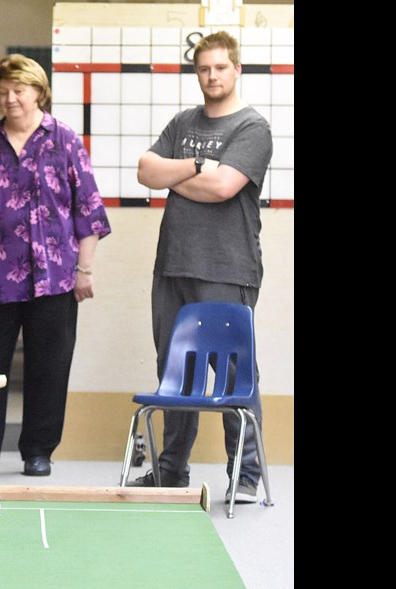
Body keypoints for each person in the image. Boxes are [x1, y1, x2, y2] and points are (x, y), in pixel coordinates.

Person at [0, 54, 111, 477]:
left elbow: (88, 211)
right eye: (3, 92)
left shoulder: (65, 141)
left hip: (55, 279)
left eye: (18, 90)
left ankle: (39, 450)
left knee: (49, 367)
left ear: (39, 92)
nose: (10, 99)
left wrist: (85, 270)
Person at [128, 31, 272, 504]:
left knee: (233, 372)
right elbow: (147, 172)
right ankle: (170, 473)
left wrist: (179, 176)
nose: (211, 75)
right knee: (174, 368)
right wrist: (196, 165)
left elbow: (224, 188)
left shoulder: (252, 127)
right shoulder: (182, 121)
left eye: (220, 68)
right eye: (203, 68)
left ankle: (245, 477)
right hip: (172, 265)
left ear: (237, 70)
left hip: (227, 268)